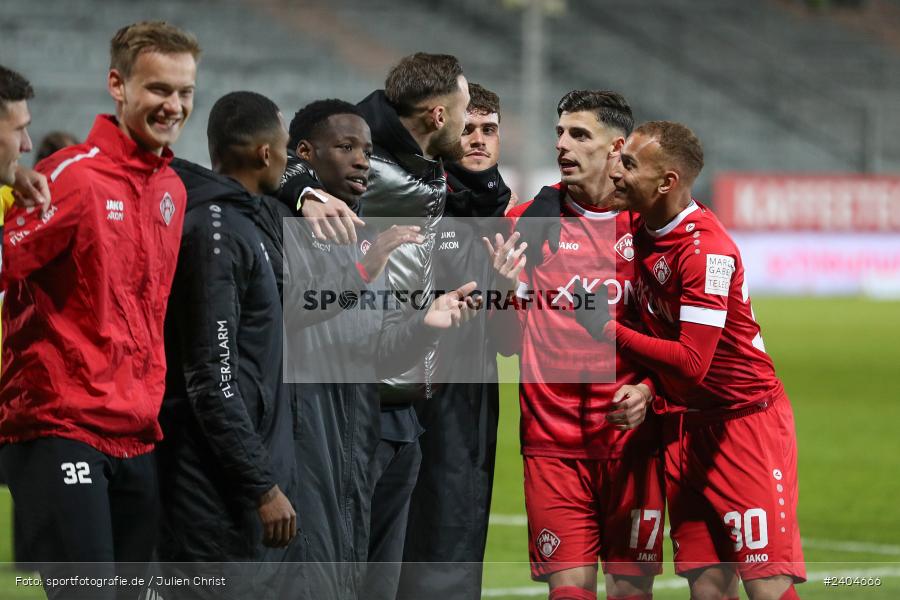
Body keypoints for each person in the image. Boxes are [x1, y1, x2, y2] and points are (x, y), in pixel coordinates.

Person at [0, 21, 199, 600]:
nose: (175, 105)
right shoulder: (70, 178)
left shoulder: (173, 191)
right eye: (160, 89)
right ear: (118, 84)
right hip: (60, 427)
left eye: (185, 91)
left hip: (136, 434)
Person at [582, 120, 804, 600]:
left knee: (766, 587)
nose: (615, 171)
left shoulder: (706, 252)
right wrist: (645, 388)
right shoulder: (643, 229)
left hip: (743, 426)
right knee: (708, 587)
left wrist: (605, 330)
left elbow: (689, 364)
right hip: (685, 427)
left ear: (667, 182)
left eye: (630, 163)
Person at [505, 91, 665, 600]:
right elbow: (507, 341)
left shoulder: (652, 229)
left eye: (579, 135)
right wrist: (502, 294)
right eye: (559, 133)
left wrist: (647, 389)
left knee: (630, 590)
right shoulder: (526, 225)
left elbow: (682, 338)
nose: (563, 145)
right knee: (568, 593)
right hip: (553, 445)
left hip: (633, 445)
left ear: (616, 147)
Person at [156, 91, 297, 598]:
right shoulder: (216, 230)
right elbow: (212, 378)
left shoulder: (247, 221)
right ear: (264, 153)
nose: (289, 158)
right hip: (212, 488)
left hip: (235, 483)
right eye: (284, 146)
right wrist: (260, 483)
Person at [354, 52, 470, 599]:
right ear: (438, 116)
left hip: (402, 404)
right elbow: (281, 172)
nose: (470, 125)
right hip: (353, 407)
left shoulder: (424, 172)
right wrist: (302, 194)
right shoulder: (353, 161)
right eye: (465, 110)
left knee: (381, 580)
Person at [398, 82, 516, 600]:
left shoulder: (507, 217)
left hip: (470, 399)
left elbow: (511, 341)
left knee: (457, 536)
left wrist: (510, 289)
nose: (477, 140)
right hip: (404, 393)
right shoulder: (413, 202)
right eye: (467, 128)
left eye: (488, 130)